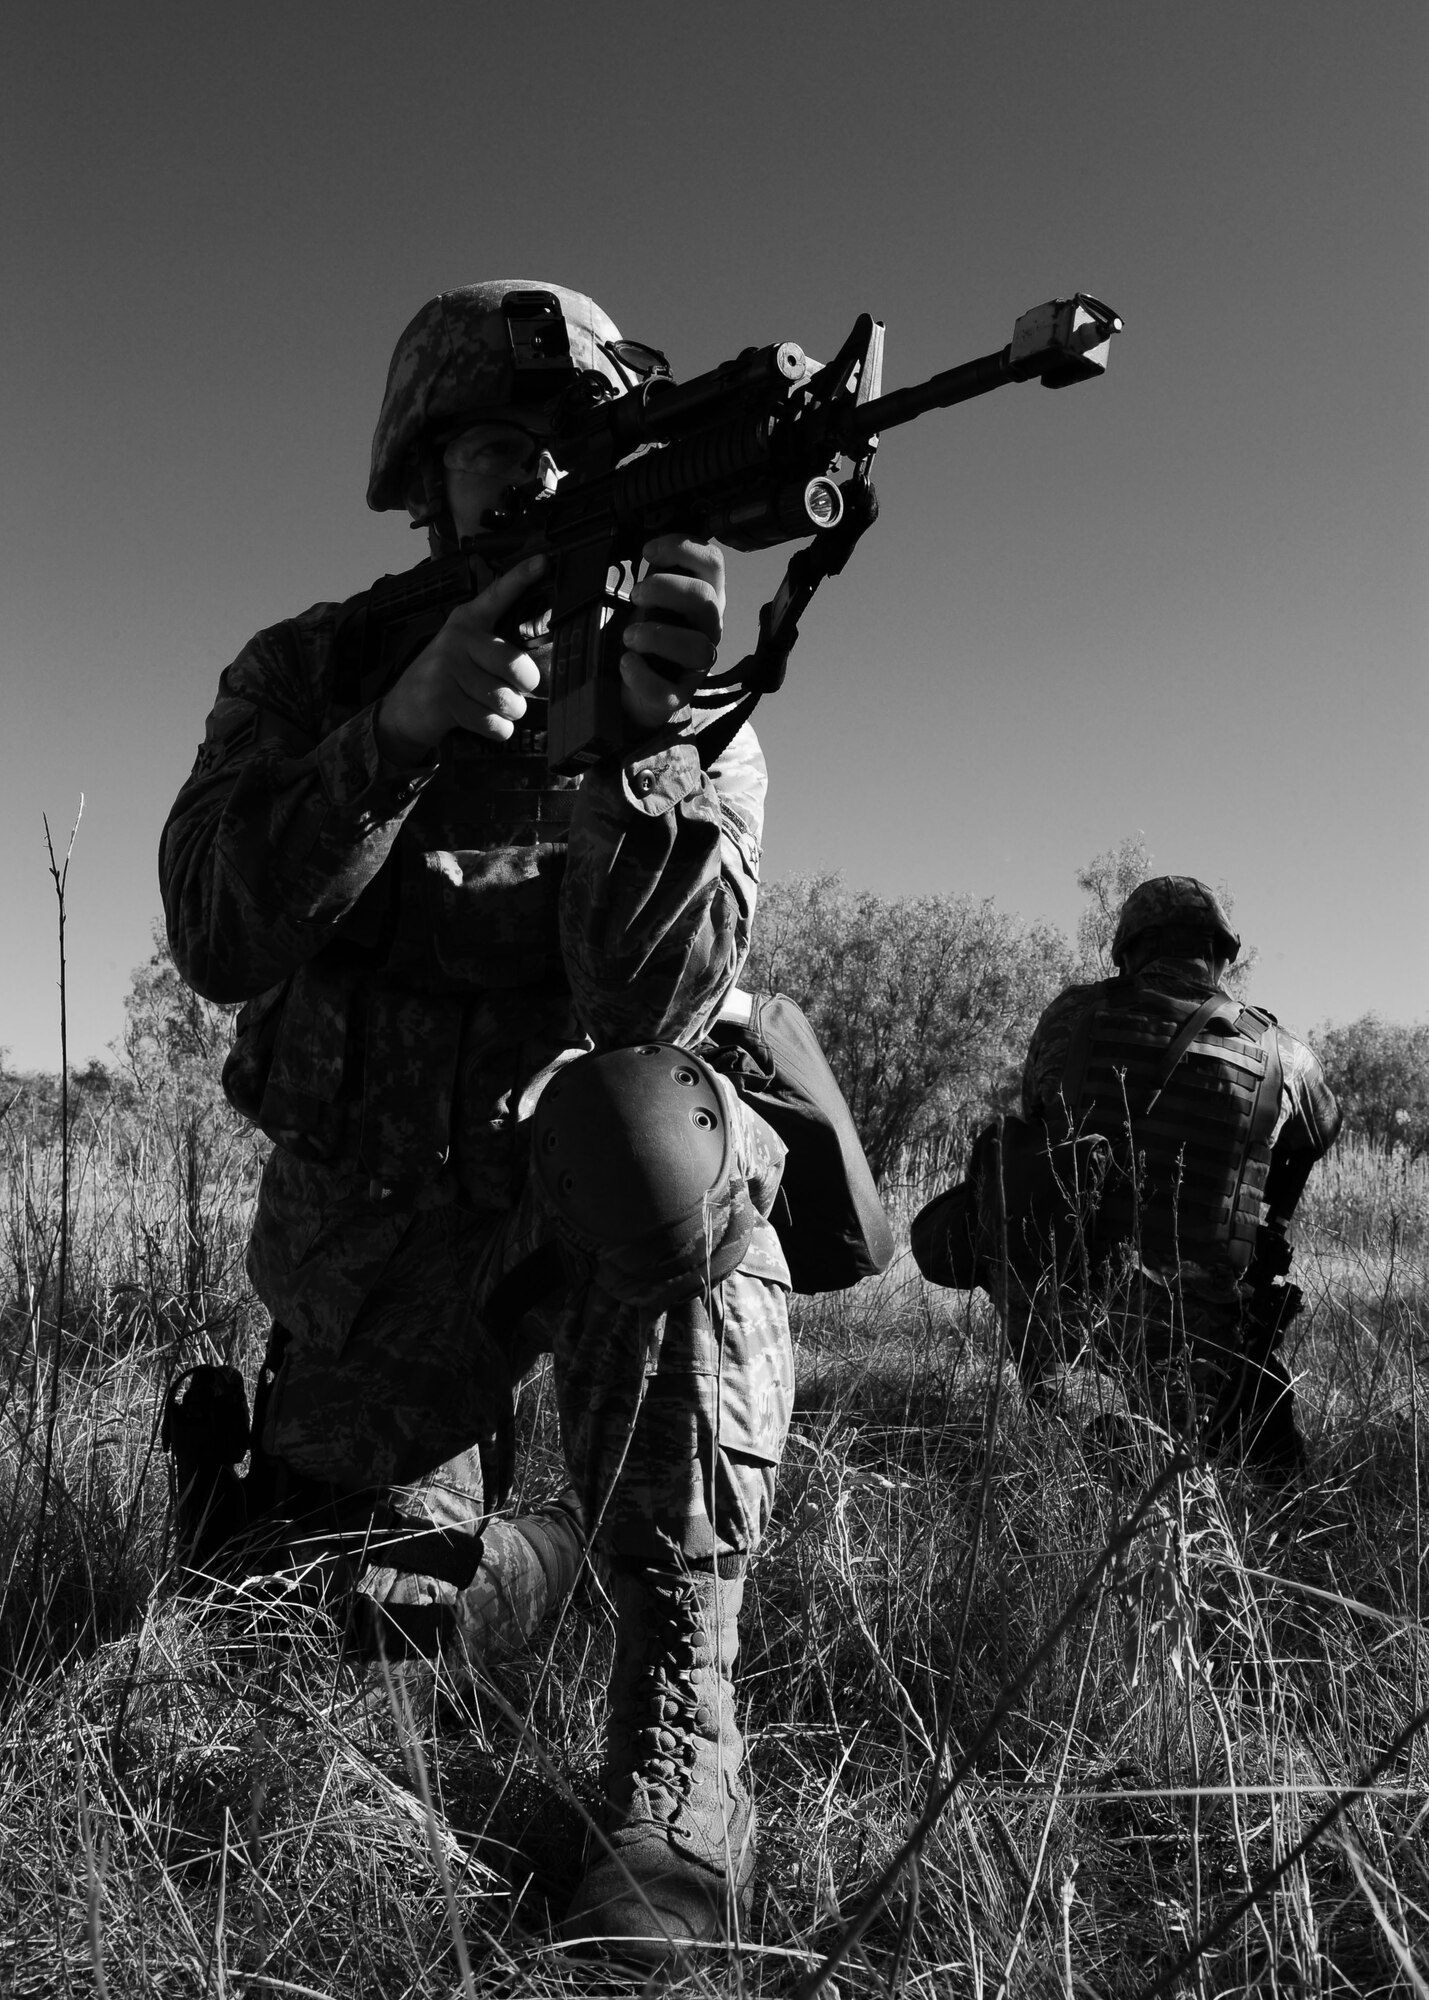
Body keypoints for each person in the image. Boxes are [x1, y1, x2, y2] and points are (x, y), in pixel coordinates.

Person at [159, 280, 795, 1965]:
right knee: (310, 1649)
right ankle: (535, 1555)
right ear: (425, 478)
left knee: (661, 1133)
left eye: (575, 445)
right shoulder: (310, 668)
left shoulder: (676, 683)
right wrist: (390, 740)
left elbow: (654, 1005)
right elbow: (217, 933)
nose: (542, 476)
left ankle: (678, 1745)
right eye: (503, 445)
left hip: (582, 1212)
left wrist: (646, 756)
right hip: (380, 1261)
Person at [914, 876, 1341, 1473]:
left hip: (1063, 1306)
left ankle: (1066, 1430)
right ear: (1219, 953)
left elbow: (1038, 1118)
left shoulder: (1071, 1017)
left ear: (1131, 949)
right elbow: (1321, 1129)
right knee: (1233, 1451)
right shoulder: (1280, 1052)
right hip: (1198, 1329)